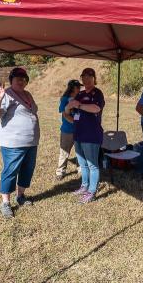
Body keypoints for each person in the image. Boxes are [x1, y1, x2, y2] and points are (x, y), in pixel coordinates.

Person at [0, 67, 40, 219]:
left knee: (27, 169)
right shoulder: (7, 94)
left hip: (31, 141)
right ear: (11, 80)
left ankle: (21, 196)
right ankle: (5, 203)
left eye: (24, 78)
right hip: (13, 142)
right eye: (17, 77)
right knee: (10, 171)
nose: (21, 80)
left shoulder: (27, 94)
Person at [65, 68, 105, 204]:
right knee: (82, 164)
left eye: (89, 76)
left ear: (94, 78)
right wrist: (68, 108)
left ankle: (92, 191)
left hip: (91, 135)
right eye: (84, 76)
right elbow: (69, 110)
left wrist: (79, 105)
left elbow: (96, 108)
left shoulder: (97, 93)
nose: (86, 79)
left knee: (92, 165)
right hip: (78, 134)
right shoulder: (79, 94)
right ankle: (84, 186)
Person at [56, 79, 83, 180]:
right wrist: (76, 123)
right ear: (73, 88)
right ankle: (60, 171)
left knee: (79, 151)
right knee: (64, 151)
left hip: (78, 130)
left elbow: (79, 113)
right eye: (78, 87)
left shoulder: (79, 98)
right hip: (67, 130)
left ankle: (80, 169)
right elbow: (65, 114)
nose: (80, 89)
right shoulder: (65, 99)